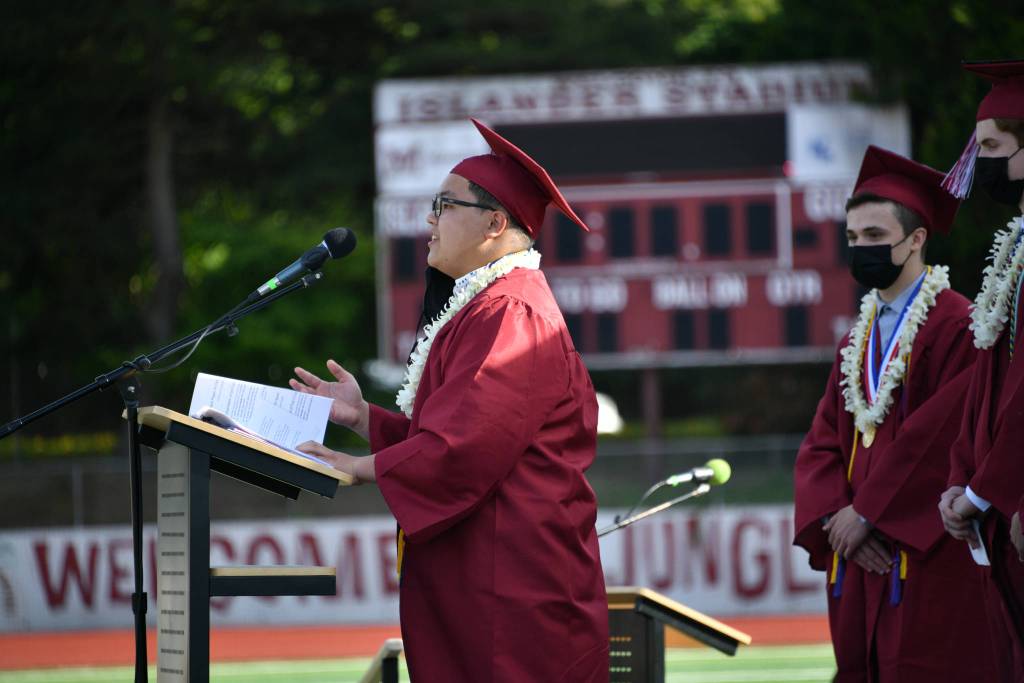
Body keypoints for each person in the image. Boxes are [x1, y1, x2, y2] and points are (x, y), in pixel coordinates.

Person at [290, 118, 609, 682]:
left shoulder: (514, 314)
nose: (429, 220)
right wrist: (367, 420)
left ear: (494, 223)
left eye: (444, 205)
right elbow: (455, 429)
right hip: (488, 581)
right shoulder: (488, 307)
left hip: (513, 593)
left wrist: (365, 468)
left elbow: (466, 447)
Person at [793, 146, 993, 681]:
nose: (861, 250)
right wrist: (836, 515)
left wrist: (872, 513)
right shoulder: (853, 341)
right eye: (854, 239)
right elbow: (822, 442)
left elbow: (941, 435)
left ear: (916, 239)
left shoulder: (958, 326)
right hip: (860, 555)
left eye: (876, 238)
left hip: (921, 551)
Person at [938, 59, 1024, 681]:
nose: (980, 161)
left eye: (993, 147)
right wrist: (962, 479)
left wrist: (982, 490)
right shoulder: (1016, 246)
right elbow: (988, 387)